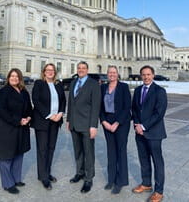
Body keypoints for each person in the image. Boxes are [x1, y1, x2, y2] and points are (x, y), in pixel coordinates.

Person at [0, 68, 32, 194]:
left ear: (20, 78)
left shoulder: (24, 92)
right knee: (6, 156)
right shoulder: (2, 92)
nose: (14, 78)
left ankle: (16, 179)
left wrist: (29, 117)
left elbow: (29, 107)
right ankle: (8, 184)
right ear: (8, 78)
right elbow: (2, 111)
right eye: (12, 76)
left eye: (16, 76)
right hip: (6, 128)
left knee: (19, 154)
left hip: (22, 128)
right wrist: (18, 120)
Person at [132, 65, 167, 202]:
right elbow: (134, 109)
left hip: (154, 133)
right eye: (143, 75)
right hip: (139, 132)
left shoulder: (159, 91)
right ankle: (146, 184)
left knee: (157, 162)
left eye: (148, 74)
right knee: (144, 159)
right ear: (141, 76)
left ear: (153, 75)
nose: (146, 77)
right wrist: (136, 124)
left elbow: (159, 113)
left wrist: (143, 126)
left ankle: (159, 191)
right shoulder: (138, 90)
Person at [67, 61, 101, 193]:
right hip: (74, 123)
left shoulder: (93, 84)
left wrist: (93, 126)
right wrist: (69, 119)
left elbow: (95, 106)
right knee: (78, 151)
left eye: (83, 68)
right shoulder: (74, 82)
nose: (81, 70)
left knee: (88, 152)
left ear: (87, 70)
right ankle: (79, 172)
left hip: (87, 125)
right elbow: (71, 103)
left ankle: (88, 178)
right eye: (79, 68)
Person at [31, 63, 66, 190]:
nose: (50, 72)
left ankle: (47, 172)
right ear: (44, 72)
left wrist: (60, 113)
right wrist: (50, 115)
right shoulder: (39, 84)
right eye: (48, 70)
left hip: (56, 121)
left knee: (51, 148)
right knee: (42, 149)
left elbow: (63, 100)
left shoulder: (58, 84)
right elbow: (36, 100)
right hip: (43, 121)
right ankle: (43, 177)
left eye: (52, 70)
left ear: (54, 72)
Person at [100, 65, 131, 194]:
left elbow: (127, 106)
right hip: (107, 121)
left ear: (118, 74)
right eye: (109, 72)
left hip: (121, 123)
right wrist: (103, 121)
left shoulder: (123, 87)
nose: (111, 74)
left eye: (114, 72)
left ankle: (121, 181)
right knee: (111, 151)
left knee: (120, 151)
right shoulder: (102, 87)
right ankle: (111, 179)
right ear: (107, 74)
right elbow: (99, 107)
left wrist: (117, 122)